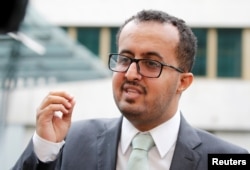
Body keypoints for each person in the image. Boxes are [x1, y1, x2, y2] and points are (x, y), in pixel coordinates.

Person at [13, 9, 248, 170]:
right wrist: (45, 149)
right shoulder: (69, 142)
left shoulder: (228, 159)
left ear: (183, 82)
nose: (131, 74)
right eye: (125, 59)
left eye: (151, 63)